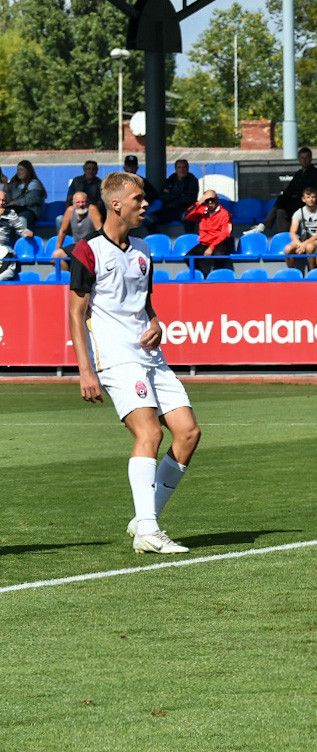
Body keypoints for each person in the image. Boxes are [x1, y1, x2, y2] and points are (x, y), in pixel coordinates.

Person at [68, 171, 200, 555]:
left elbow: (145, 303)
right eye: (138, 199)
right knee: (150, 434)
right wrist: (86, 370)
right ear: (116, 204)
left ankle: (145, 517)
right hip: (117, 357)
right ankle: (148, 531)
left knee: (188, 433)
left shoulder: (143, 249)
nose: (145, 205)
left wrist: (156, 323)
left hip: (151, 355)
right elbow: (76, 313)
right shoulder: (87, 251)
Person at [261, 147, 317, 236]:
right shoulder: (298, 174)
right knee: (281, 210)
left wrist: (303, 196)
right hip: (299, 202)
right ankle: (285, 237)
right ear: (299, 159)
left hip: (312, 203)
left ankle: (265, 224)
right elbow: (289, 190)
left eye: (306, 157)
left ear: (311, 158)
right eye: (302, 158)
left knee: (283, 200)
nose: (304, 160)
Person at [183, 190, 234, 274]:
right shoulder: (202, 211)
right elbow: (186, 216)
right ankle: (203, 275)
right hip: (204, 243)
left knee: (218, 257)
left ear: (217, 200)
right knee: (188, 258)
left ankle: (217, 276)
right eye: (207, 200)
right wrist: (199, 201)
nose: (210, 202)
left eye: (212, 200)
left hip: (219, 243)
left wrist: (211, 247)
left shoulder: (225, 214)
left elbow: (225, 233)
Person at [284, 186, 317, 270]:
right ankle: (293, 271)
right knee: (287, 249)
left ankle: (312, 271)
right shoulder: (298, 212)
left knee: (309, 247)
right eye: (308, 197)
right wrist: (299, 244)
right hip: (303, 240)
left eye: (313, 197)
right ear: (303, 199)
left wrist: (304, 244)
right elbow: (292, 232)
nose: (311, 199)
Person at [53, 189, 102, 260]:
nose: (81, 205)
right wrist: (57, 248)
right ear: (73, 203)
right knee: (57, 255)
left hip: (91, 246)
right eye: (78, 202)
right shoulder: (70, 211)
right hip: (77, 245)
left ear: (87, 202)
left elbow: (100, 231)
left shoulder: (92, 209)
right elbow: (63, 231)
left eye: (83, 202)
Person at [156, 158, 200, 232]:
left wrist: (172, 195)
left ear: (188, 168)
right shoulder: (170, 179)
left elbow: (189, 199)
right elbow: (162, 197)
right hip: (170, 210)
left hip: (185, 209)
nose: (182, 170)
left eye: (184, 167)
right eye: (179, 167)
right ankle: (156, 238)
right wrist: (179, 195)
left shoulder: (192, 180)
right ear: (176, 169)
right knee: (151, 219)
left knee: (189, 217)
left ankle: (189, 239)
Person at [0, 188, 33, 281]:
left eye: (3, 200)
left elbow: (21, 229)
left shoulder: (10, 213)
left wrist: (26, 233)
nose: (1, 203)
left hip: (3, 250)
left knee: (6, 253)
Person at [7, 159, 45, 230]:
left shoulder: (34, 183)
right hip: (15, 210)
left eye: (21, 170)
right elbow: (8, 197)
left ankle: (22, 237)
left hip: (30, 211)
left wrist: (15, 202)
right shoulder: (15, 184)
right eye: (18, 170)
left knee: (21, 219)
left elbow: (30, 200)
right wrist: (6, 185)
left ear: (28, 171)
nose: (19, 172)